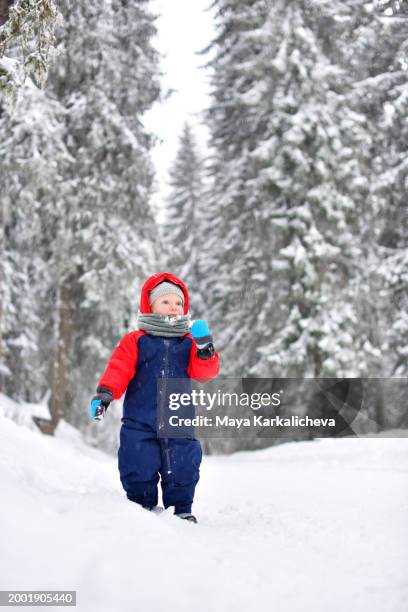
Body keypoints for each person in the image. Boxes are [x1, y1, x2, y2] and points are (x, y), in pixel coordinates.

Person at [90, 272, 220, 523]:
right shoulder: (136, 341)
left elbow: (205, 373)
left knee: (183, 462)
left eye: (178, 303)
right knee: (137, 461)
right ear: (150, 305)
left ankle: (181, 507)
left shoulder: (188, 342)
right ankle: (140, 507)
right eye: (166, 302)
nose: (173, 308)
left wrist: (205, 351)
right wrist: (105, 395)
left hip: (178, 419)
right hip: (140, 418)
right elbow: (118, 369)